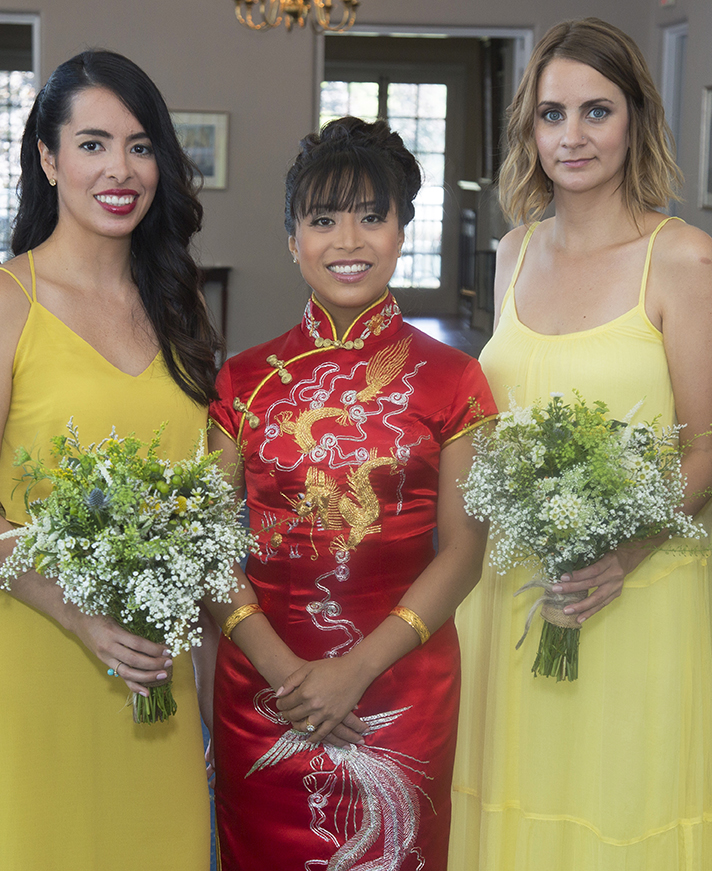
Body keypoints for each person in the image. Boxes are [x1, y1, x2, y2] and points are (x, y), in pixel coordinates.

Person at [0, 50, 219, 870]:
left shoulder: (178, 303)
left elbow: (212, 479)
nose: (119, 169)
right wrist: (79, 613)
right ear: (48, 159)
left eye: (140, 145)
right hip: (28, 656)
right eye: (91, 144)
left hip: (151, 667)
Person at [448, 18, 712, 869]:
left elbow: (704, 450)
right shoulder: (512, 251)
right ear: (528, 132)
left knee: (617, 808)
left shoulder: (680, 257)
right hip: (512, 584)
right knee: (512, 798)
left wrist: (623, 549)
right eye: (551, 115)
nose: (571, 136)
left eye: (596, 112)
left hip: (632, 592)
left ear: (635, 120)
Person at [206, 116, 497, 871]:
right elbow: (204, 545)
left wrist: (354, 670)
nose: (348, 239)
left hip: (400, 681)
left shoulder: (454, 379)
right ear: (291, 236)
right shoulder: (241, 379)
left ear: (404, 229)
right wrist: (282, 671)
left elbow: (464, 552)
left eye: (373, 216)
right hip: (264, 689)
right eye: (323, 218)